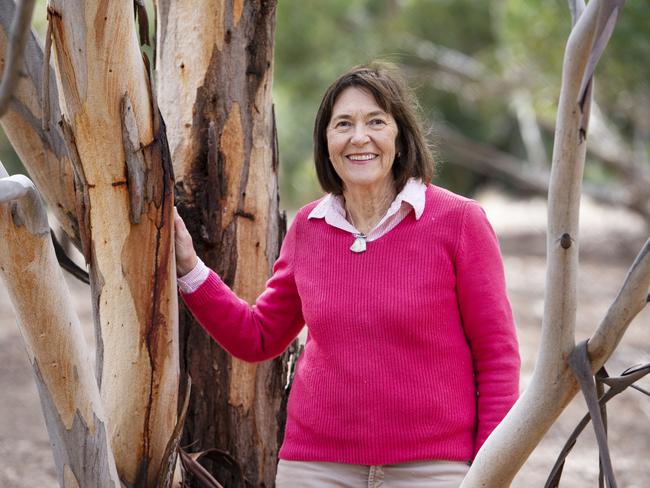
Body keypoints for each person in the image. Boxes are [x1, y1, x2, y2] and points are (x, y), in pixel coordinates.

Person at [174, 62, 520, 487]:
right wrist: (190, 269)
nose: (360, 137)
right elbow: (260, 336)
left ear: (400, 135)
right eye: (343, 124)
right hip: (316, 467)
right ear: (327, 141)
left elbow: (498, 358)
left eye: (376, 121)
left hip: (434, 470)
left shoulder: (460, 222)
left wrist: (491, 472)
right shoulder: (309, 227)